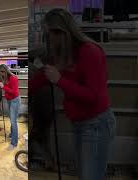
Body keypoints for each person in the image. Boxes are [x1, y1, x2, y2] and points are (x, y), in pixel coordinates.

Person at [30, 8, 116, 180]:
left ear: (60, 32)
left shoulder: (89, 52)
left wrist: (59, 80)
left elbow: (94, 96)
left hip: (95, 124)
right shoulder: (62, 54)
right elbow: (43, 78)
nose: (46, 40)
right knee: (84, 175)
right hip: (79, 123)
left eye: (48, 35)